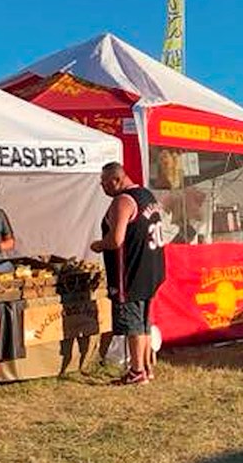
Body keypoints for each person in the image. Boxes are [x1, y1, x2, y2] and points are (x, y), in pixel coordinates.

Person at [91, 163, 166, 385]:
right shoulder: (146, 195)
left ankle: (136, 372)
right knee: (144, 321)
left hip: (130, 271)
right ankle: (145, 367)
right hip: (152, 267)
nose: (103, 188)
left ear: (116, 180)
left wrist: (99, 245)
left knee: (133, 324)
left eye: (104, 184)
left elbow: (116, 239)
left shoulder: (122, 201)